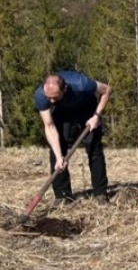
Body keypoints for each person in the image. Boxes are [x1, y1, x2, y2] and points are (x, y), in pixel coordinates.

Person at [34, 71, 111, 202]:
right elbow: (49, 126)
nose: (51, 101)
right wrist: (59, 157)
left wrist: (96, 116)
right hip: (62, 110)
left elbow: (107, 90)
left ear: (64, 89)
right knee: (57, 149)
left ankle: (100, 193)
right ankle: (63, 195)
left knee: (93, 146)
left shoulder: (81, 84)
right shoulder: (41, 95)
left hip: (85, 105)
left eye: (55, 97)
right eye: (49, 98)